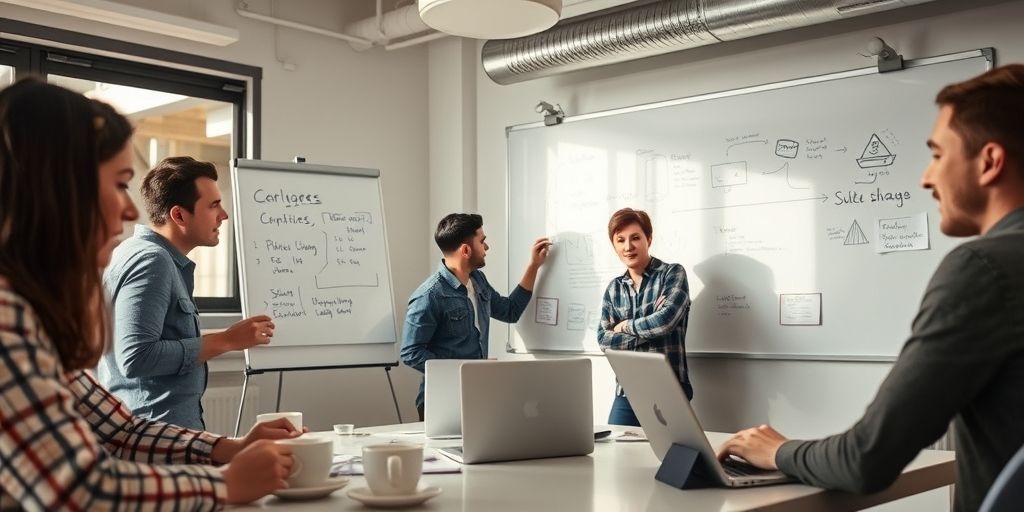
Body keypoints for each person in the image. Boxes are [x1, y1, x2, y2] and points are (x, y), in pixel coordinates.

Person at [717, 64, 1024, 512]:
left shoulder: (983, 269)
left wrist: (777, 451)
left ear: (990, 161)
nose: (926, 177)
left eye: (938, 154)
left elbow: (867, 459)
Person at [0, 77, 298, 508]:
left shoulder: (28, 316)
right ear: (60, 190)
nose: (128, 209)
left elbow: (120, 429)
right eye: (120, 183)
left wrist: (224, 449)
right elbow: (80, 489)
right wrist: (223, 484)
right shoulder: (8, 321)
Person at [98, 156, 276, 429]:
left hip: (155, 432)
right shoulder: (152, 261)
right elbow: (136, 357)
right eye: (213, 205)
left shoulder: (137, 253)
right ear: (179, 215)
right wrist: (227, 340)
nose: (224, 215)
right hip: (157, 437)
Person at [401, 213, 549, 419]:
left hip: (476, 395)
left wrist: (533, 265)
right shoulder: (429, 295)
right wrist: (463, 371)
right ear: (465, 250)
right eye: (482, 241)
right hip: (440, 401)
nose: (487, 247)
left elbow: (510, 311)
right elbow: (411, 353)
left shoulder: (478, 280)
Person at [597, 208, 692, 426]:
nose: (628, 246)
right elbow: (603, 339)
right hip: (627, 392)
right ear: (614, 246)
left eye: (635, 238)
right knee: (618, 454)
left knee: (672, 458)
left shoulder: (673, 274)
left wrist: (624, 326)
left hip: (670, 388)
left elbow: (665, 322)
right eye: (620, 240)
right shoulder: (614, 289)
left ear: (649, 239)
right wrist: (651, 330)